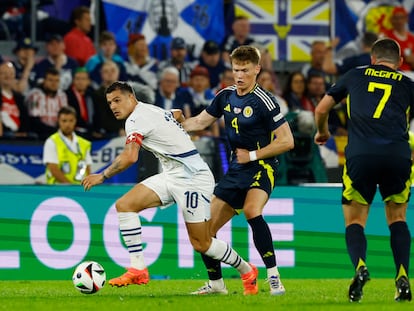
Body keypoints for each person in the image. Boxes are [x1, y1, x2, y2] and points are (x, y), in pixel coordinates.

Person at [81, 81, 259, 295]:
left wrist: (103, 175)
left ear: (131, 98)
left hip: (193, 178)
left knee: (202, 243)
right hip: (173, 174)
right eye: (110, 102)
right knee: (125, 205)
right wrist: (175, 121)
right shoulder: (151, 109)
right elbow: (175, 114)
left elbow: (130, 156)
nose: (113, 106)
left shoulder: (136, 118)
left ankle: (247, 270)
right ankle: (138, 268)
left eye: (117, 100)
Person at [182, 45, 294, 295]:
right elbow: (200, 121)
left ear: (257, 69)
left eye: (245, 70)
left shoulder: (265, 101)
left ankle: (274, 277)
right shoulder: (225, 96)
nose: (239, 75)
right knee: (204, 232)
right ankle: (216, 284)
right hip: (235, 169)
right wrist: (173, 124)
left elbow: (287, 141)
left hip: (262, 166)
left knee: (253, 211)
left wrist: (253, 155)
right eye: (235, 70)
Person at [314, 38, 413, 302]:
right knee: (398, 219)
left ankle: (360, 267)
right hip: (397, 155)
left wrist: (323, 132)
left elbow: (321, 108)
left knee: (355, 221)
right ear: (399, 63)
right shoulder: (408, 84)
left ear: (372, 59)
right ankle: (402, 276)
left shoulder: (354, 75)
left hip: (360, 155)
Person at [43, 106, 92, 184]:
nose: (67, 124)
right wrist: (70, 187)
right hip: (58, 189)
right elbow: (53, 169)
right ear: (58, 121)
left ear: (75, 121)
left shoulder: (84, 143)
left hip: (79, 190)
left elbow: (88, 169)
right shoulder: (51, 142)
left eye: (71, 121)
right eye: (64, 121)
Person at [25, 67, 68, 140]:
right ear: (44, 81)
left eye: (57, 81)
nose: (54, 84)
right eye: (50, 80)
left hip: (58, 132)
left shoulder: (62, 96)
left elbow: (65, 118)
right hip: (41, 134)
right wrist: (55, 131)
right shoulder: (35, 95)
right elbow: (35, 122)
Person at [380, 6, 414, 71]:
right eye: (396, 18)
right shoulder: (385, 36)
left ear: (406, 19)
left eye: (402, 18)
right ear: (391, 20)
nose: (399, 21)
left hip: (409, 74)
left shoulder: (412, 38)